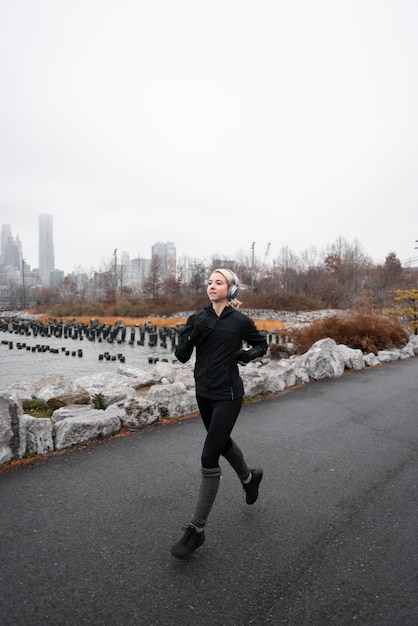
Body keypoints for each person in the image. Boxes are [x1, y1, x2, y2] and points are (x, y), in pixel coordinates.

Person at [170, 268, 268, 559]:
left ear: (232, 289)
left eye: (218, 282)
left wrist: (246, 355)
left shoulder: (240, 321)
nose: (212, 286)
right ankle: (250, 479)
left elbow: (261, 343)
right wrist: (192, 337)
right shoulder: (197, 318)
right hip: (204, 394)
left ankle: (196, 530)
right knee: (222, 443)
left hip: (228, 395)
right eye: (210, 282)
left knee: (209, 456)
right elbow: (181, 355)